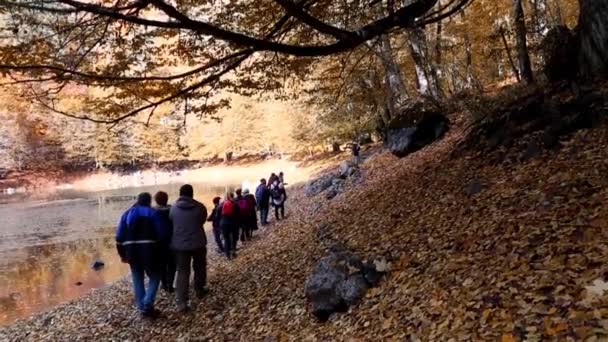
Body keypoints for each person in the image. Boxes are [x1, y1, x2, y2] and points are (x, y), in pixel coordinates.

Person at [116, 192, 166, 318]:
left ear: (138, 200)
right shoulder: (152, 212)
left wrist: (122, 254)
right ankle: (147, 303)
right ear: (149, 201)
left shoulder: (126, 214)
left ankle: (142, 307)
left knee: (137, 277)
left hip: (131, 250)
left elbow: (119, 237)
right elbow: (161, 233)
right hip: (149, 249)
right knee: (155, 275)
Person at [169, 184, 209, 313]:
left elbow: (171, 221)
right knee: (200, 266)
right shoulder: (200, 207)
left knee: (182, 271)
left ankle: (182, 301)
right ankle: (199, 289)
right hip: (198, 242)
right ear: (192, 194)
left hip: (179, 245)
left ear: (180, 194)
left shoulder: (173, 208)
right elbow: (202, 220)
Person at [153, 191, 176, 293]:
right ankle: (170, 284)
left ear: (156, 200)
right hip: (172, 240)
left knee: (161, 264)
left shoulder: (152, 212)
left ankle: (163, 283)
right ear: (166, 199)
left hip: (158, 242)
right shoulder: (173, 210)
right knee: (172, 264)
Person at [220, 192, 239, 259]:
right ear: (232, 196)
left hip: (224, 223)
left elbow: (218, 215)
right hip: (233, 223)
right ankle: (233, 252)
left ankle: (227, 254)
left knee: (226, 239)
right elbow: (238, 213)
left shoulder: (221, 204)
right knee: (233, 238)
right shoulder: (234, 204)